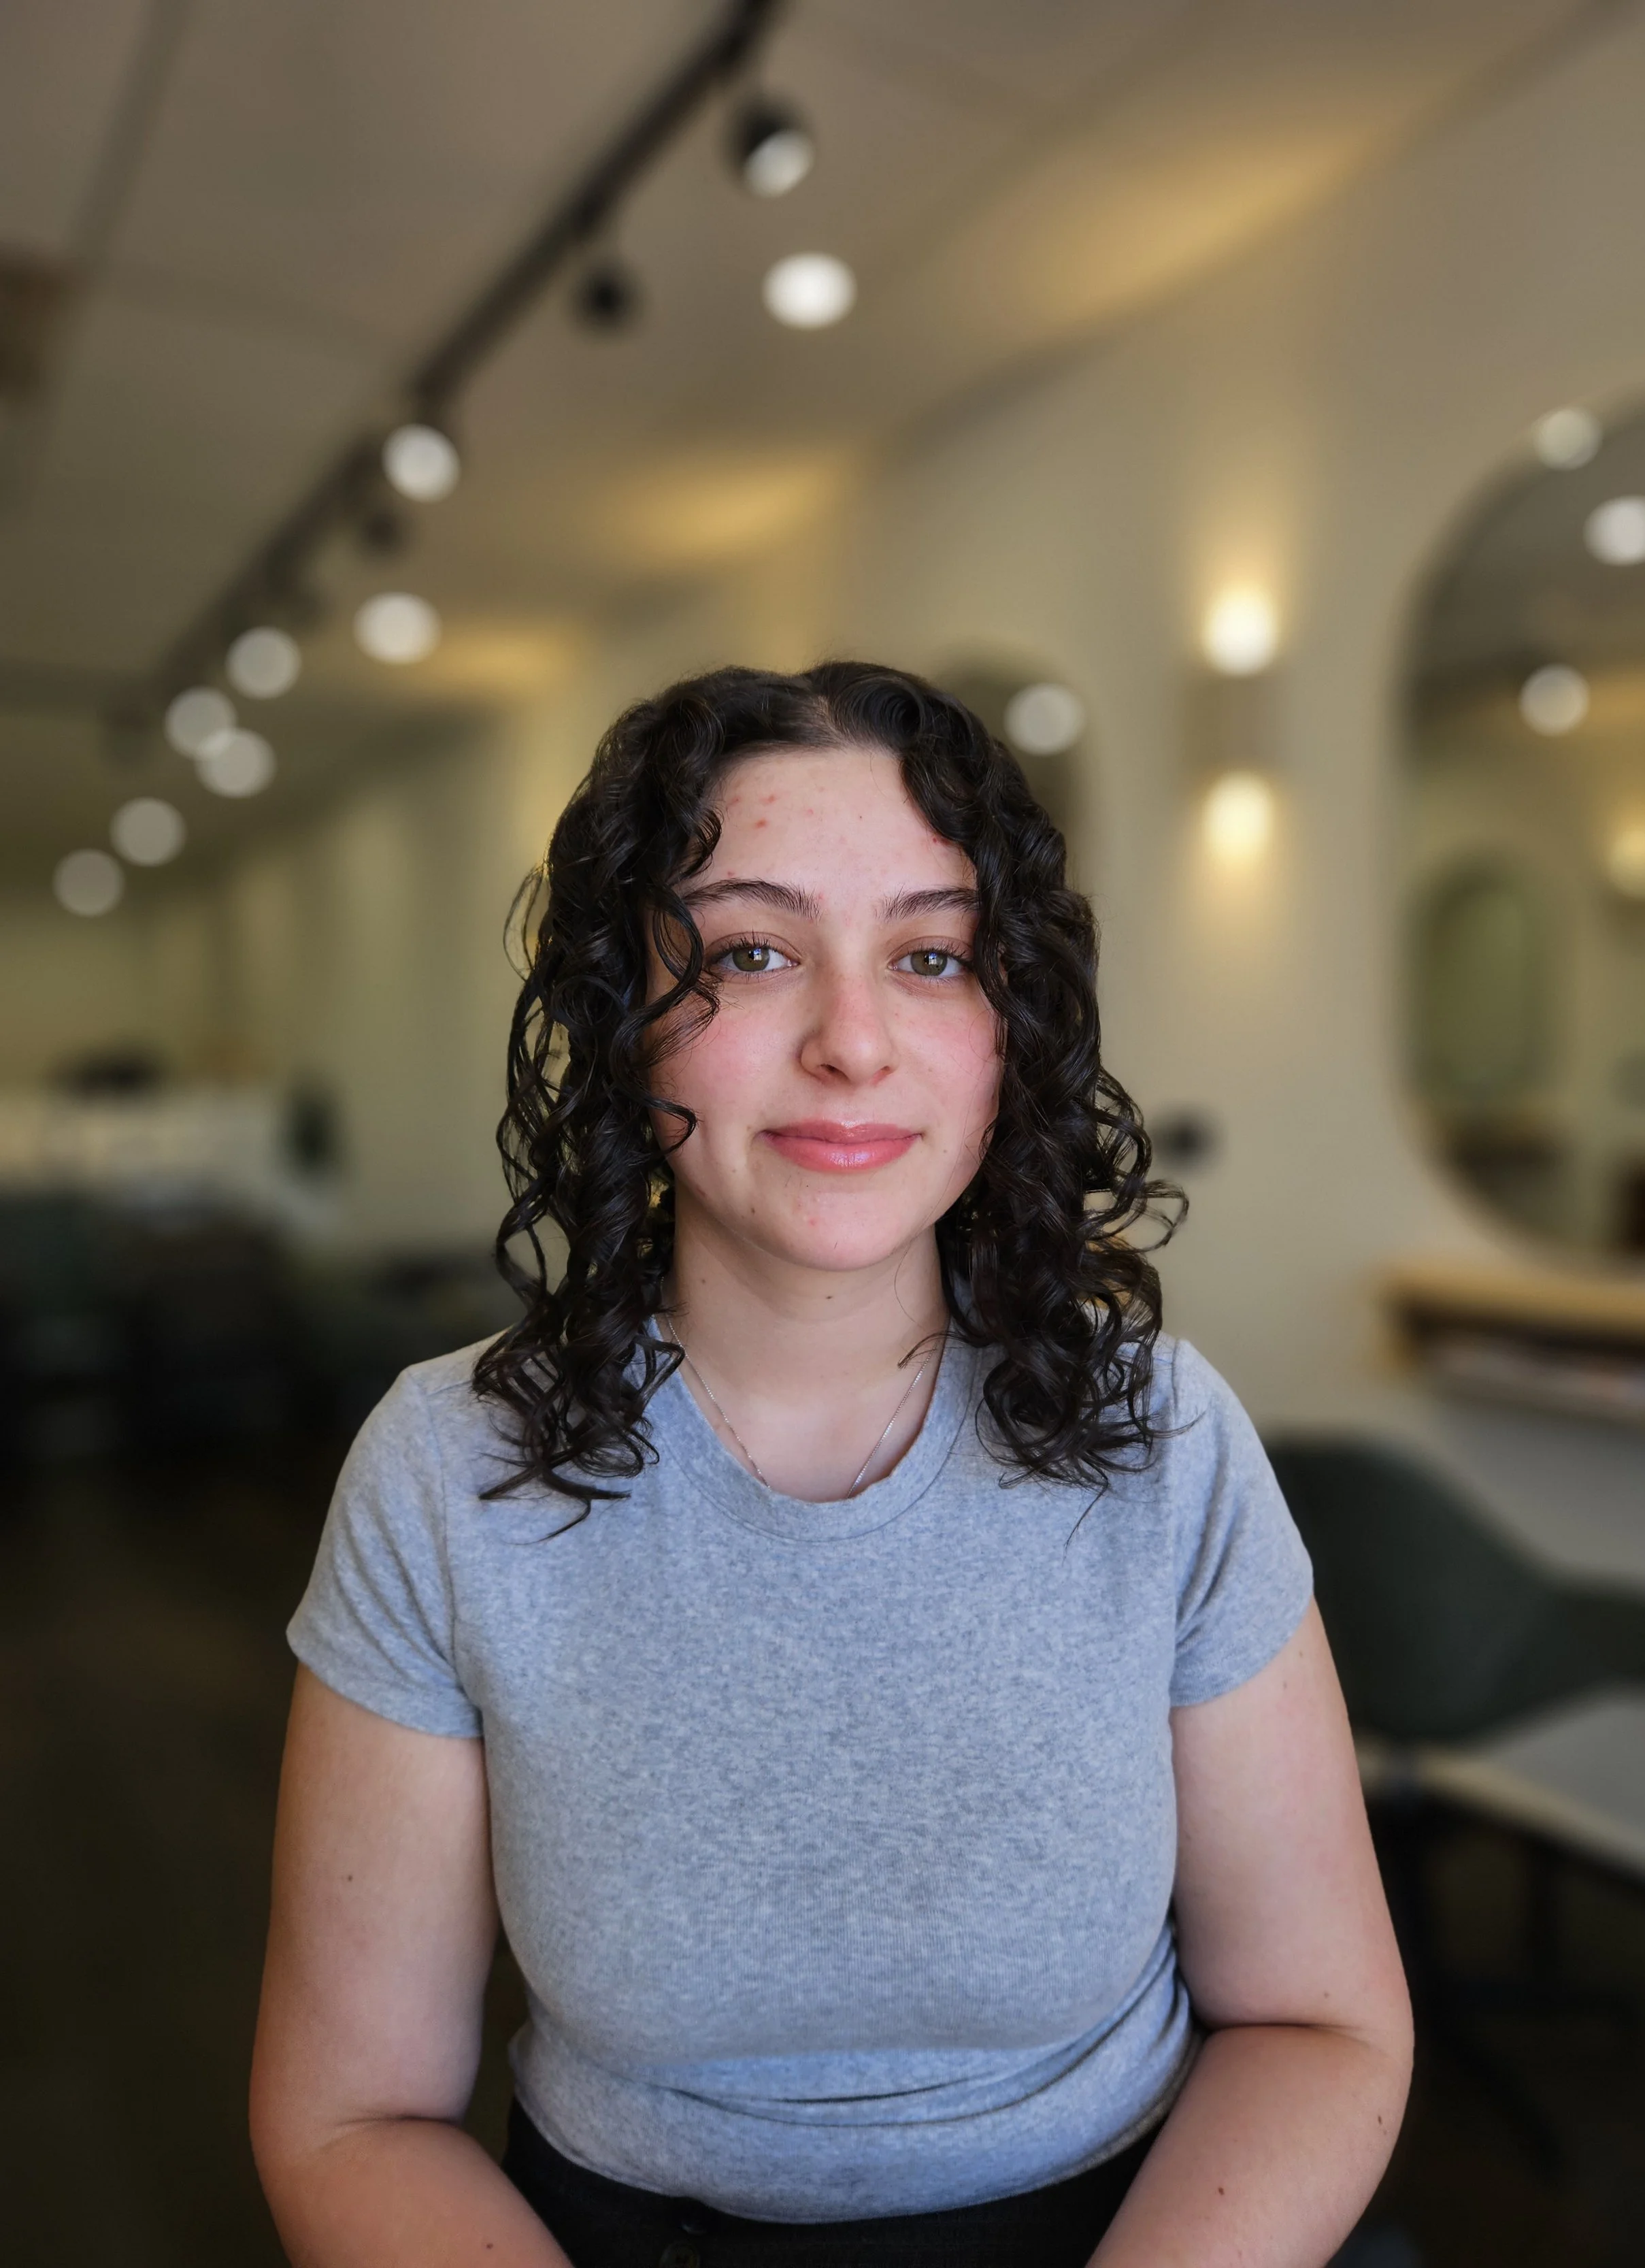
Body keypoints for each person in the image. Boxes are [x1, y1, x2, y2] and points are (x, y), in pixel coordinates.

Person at [251, 662, 1411, 2268]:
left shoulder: (1163, 1435)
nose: (852, 1041)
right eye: (750, 951)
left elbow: (1318, 2021)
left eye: (930, 955)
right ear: (621, 1020)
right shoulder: (445, 1472)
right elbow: (347, 2115)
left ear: (1010, 1029)